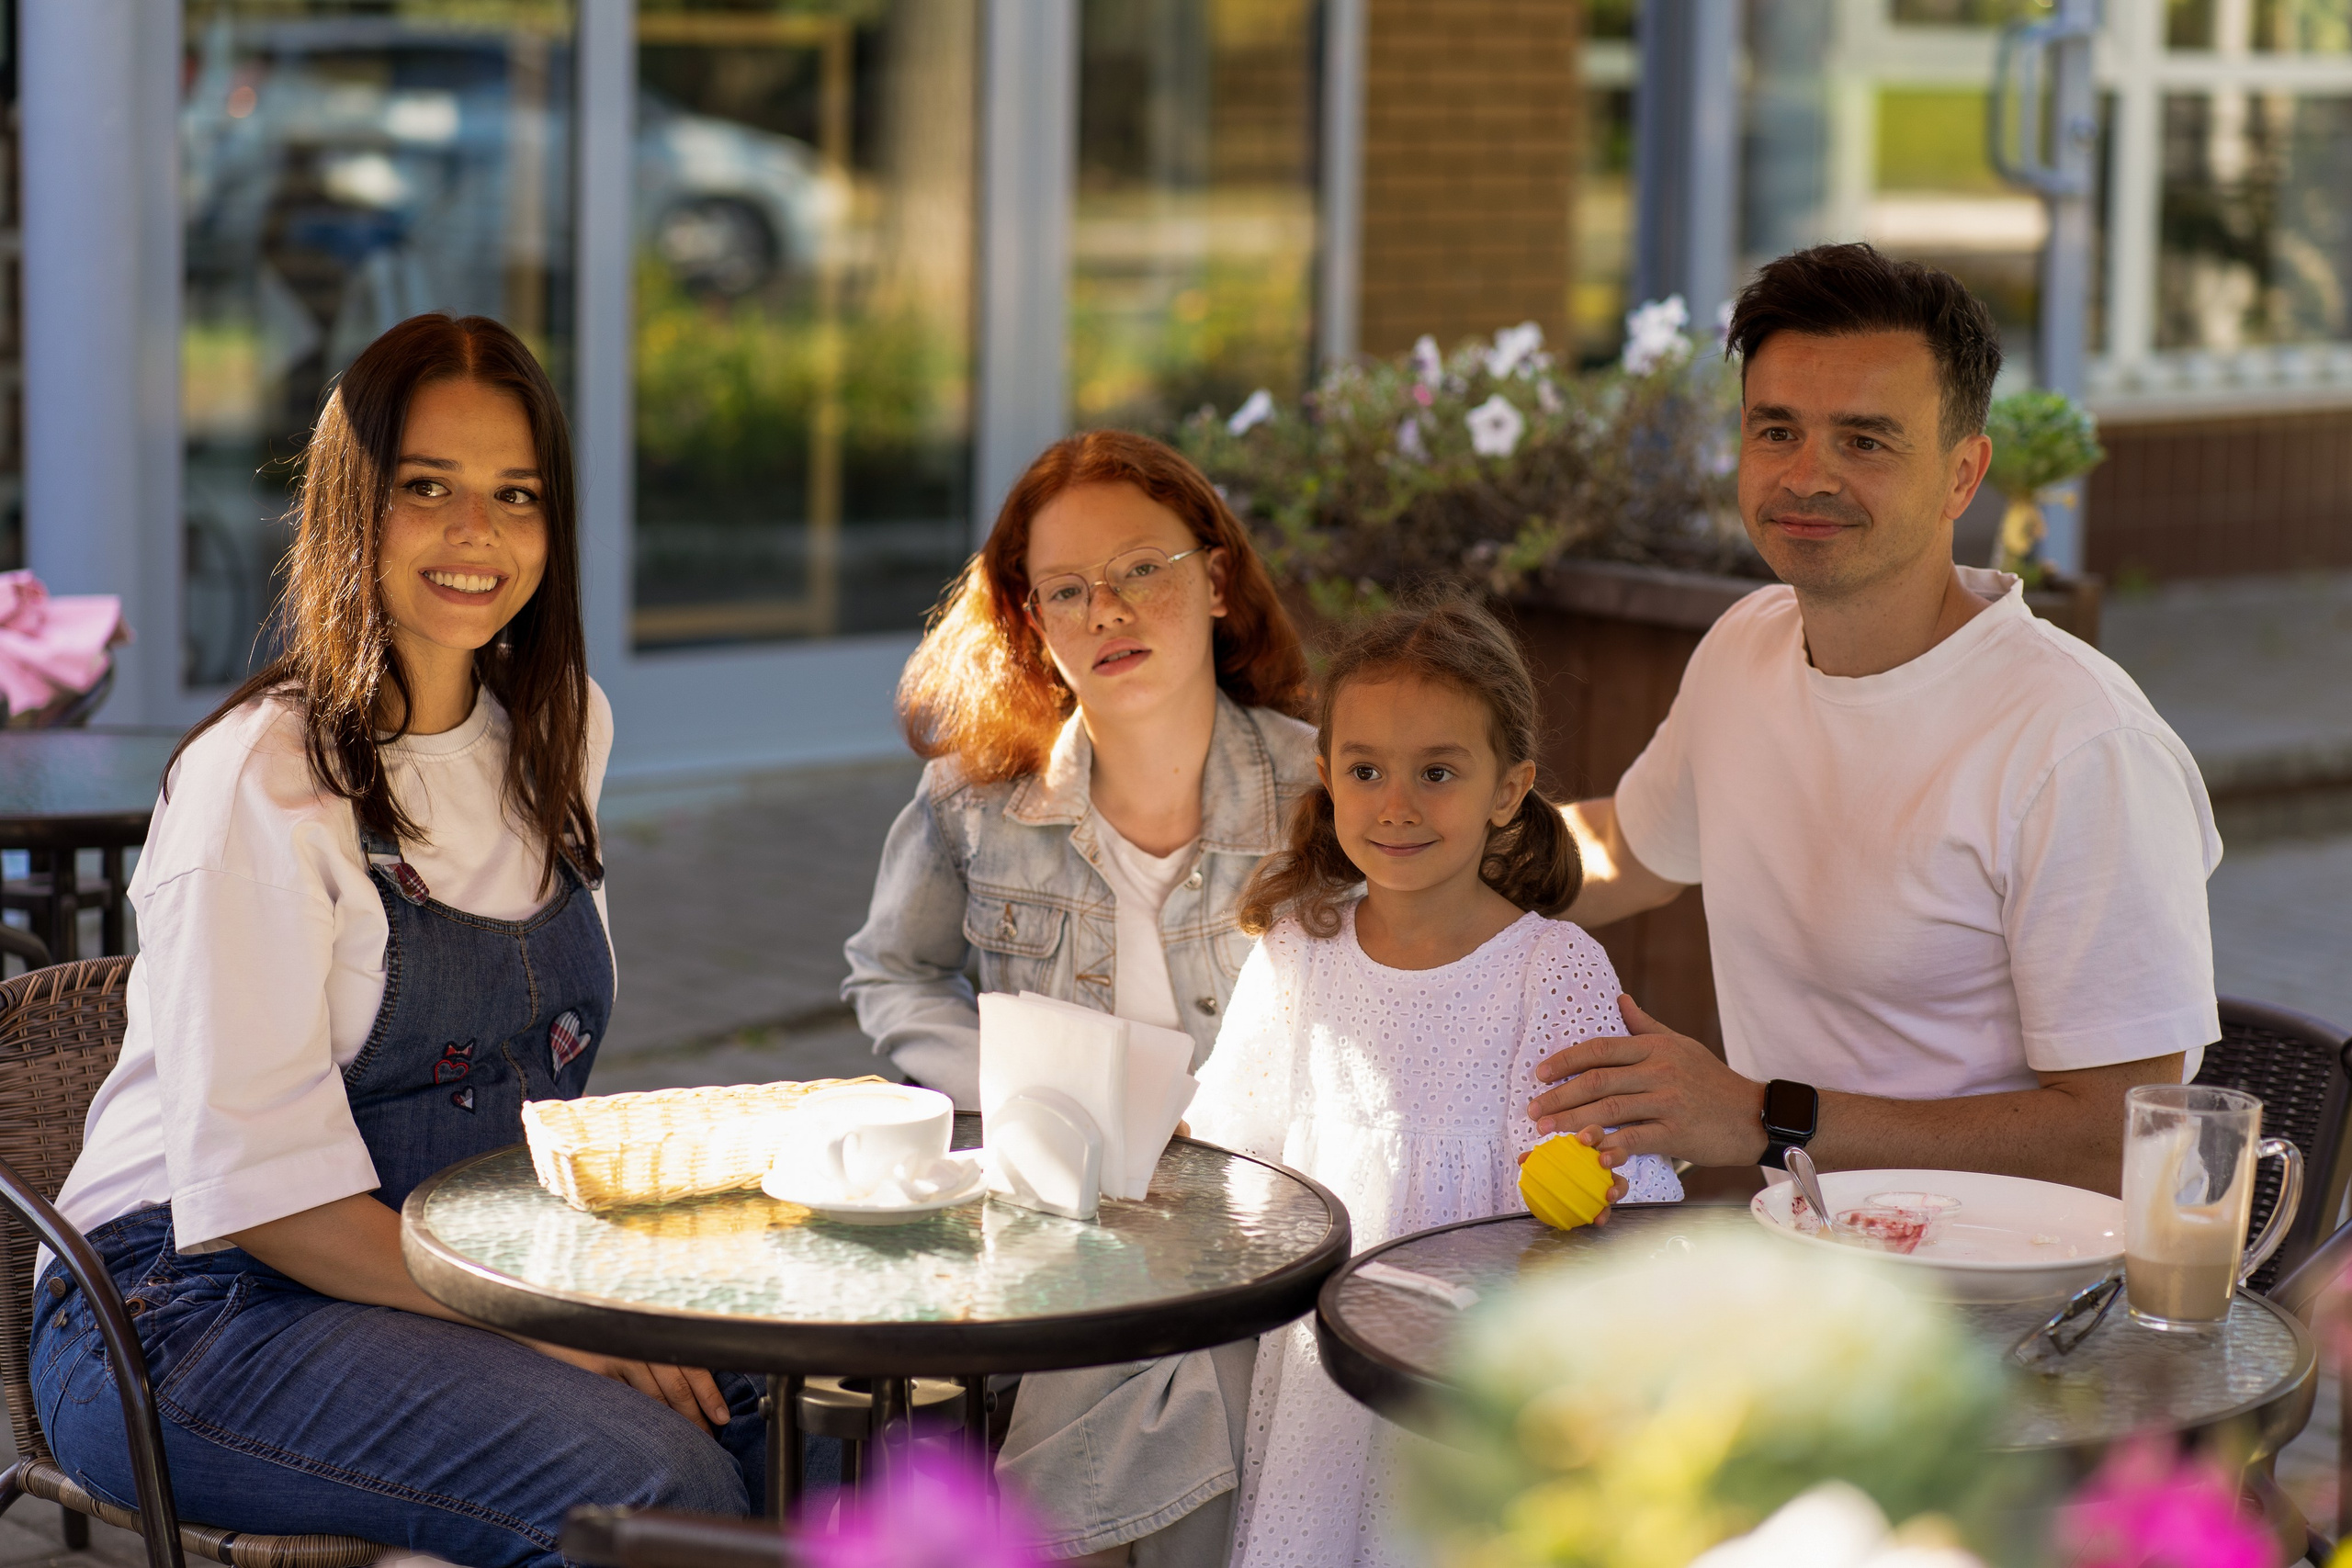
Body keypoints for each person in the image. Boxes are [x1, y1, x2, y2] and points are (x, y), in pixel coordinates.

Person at [28, 315, 765, 1567]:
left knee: (799, 1411)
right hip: (187, 1310)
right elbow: (270, 1201)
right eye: (428, 487)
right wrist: (562, 1324)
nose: (476, 533)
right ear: (351, 506)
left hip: (447, 1265)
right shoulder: (259, 782)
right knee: (651, 1485)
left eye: (515, 494)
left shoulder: (556, 725)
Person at [1531, 243, 2220, 1196]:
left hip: (2032, 1314)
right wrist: (1395, 834)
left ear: (1961, 476)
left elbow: (2125, 1140)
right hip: (1812, 1260)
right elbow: (1618, 852)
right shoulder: (1746, 646)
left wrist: (1761, 1115)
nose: (1806, 476)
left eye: (1865, 440)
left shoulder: (2082, 743)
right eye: (1775, 431)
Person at [842, 430, 1315, 1564]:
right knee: (1133, 1336)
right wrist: (1013, 1092)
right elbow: (890, 972)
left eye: (1141, 569)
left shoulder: (1326, 787)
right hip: (1069, 1223)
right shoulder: (973, 800)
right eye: (1067, 589)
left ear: (1213, 580)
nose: (1107, 610)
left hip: (1279, 1220)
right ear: (1035, 625)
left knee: (1212, 1349)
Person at [1187, 596, 1679, 1568]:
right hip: (1324, 1371)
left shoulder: (1555, 967)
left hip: (1480, 1368)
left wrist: (1588, 1176)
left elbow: (1623, 1178)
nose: (1397, 805)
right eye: (1364, 770)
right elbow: (1231, 1157)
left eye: (1438, 773)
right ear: (1326, 777)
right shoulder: (1299, 950)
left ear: (1509, 788)